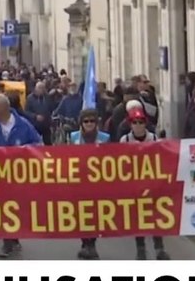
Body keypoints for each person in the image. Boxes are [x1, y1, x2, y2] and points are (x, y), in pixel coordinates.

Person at [0, 93, 42, 258]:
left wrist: (24, 151)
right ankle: (7, 242)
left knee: (15, 208)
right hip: (0, 176)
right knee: (3, 208)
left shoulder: (23, 125)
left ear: (4, 110)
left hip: (19, 176)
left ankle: (14, 238)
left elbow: (38, 144)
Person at [119, 107, 171, 260]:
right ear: (130, 124)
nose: (138, 125)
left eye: (141, 122)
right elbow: (119, 161)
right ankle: (140, 248)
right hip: (134, 183)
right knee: (138, 217)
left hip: (151, 182)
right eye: (134, 122)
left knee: (156, 215)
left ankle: (159, 248)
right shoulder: (125, 140)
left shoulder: (153, 138)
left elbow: (161, 158)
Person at [69, 109, 111, 260]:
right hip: (79, 181)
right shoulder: (73, 137)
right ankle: (84, 242)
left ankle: (91, 243)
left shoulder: (105, 138)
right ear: (81, 123)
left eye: (92, 121)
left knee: (95, 214)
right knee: (80, 213)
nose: (89, 124)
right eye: (86, 121)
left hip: (98, 183)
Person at [26, 81, 56, 146]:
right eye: (39, 88)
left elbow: (51, 108)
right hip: (35, 125)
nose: (41, 90)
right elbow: (26, 112)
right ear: (36, 88)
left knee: (48, 143)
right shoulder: (30, 98)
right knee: (36, 143)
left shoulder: (47, 97)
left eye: (43, 88)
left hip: (46, 125)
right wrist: (35, 116)